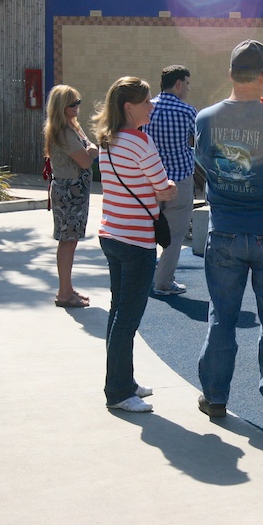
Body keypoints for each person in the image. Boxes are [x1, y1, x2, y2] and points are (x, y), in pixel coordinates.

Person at [194, 40, 263, 419]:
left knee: (221, 318)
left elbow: (205, 161)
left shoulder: (206, 118)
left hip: (225, 229)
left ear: (230, 75)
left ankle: (215, 396)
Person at [92, 76, 177, 413]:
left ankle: (123, 382)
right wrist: (166, 188)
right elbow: (162, 186)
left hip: (111, 233)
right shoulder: (141, 143)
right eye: (145, 102)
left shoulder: (107, 140)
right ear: (129, 108)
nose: (151, 106)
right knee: (127, 317)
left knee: (118, 312)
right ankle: (118, 392)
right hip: (136, 239)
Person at [43, 84, 99, 308]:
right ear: (61, 107)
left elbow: (90, 149)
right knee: (67, 242)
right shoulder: (63, 132)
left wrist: (91, 150)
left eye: (78, 102)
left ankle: (67, 288)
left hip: (74, 191)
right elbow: (86, 159)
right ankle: (64, 293)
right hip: (68, 192)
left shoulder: (71, 128)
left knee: (71, 241)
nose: (77, 107)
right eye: (72, 104)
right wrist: (91, 151)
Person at [145, 64, 198, 296]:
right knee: (175, 236)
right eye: (186, 83)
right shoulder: (187, 111)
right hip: (180, 179)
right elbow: (196, 143)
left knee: (145, 233)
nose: (187, 88)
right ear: (178, 84)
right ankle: (163, 282)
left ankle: (143, 278)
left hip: (149, 180)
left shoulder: (147, 109)